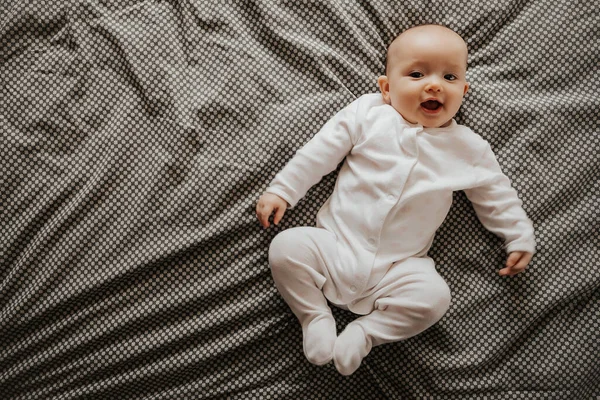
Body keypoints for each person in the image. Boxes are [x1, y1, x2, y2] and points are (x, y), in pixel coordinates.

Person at [255, 24, 535, 376]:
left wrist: (518, 235)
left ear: (463, 91)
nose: (434, 84)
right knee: (286, 247)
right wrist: (283, 189)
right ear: (387, 88)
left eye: (449, 77)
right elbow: (320, 153)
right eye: (417, 74)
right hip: (335, 247)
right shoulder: (368, 114)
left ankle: (366, 332)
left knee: (434, 298)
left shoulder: (468, 148)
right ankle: (314, 317)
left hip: (399, 268)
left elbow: (497, 194)